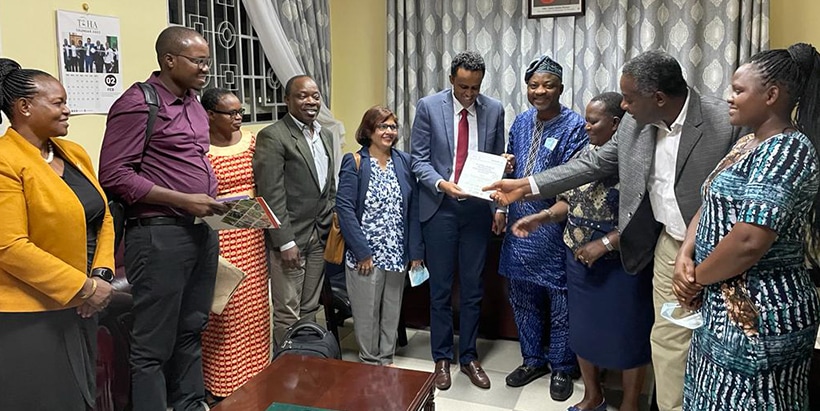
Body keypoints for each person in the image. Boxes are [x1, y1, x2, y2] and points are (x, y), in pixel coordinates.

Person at [484, 50, 738, 411]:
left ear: (659, 99)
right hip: (668, 244)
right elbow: (593, 162)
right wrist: (526, 186)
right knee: (668, 339)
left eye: (630, 99)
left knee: (711, 341)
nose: (623, 105)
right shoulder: (636, 123)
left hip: (715, 247)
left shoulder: (724, 121)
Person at [673, 43, 820, 410]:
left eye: (739, 90)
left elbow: (749, 240)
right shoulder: (746, 144)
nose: (729, 97)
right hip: (719, 307)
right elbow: (709, 201)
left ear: (772, 95)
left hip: (763, 314)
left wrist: (696, 279)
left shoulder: (788, 150)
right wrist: (685, 255)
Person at [99, 26, 227, 411]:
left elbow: (193, 161)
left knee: (191, 329)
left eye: (208, 61)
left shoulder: (193, 103)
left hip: (200, 233)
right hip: (158, 237)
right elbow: (115, 173)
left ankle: (189, 406)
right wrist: (184, 200)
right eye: (198, 61)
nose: (206, 69)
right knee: (152, 346)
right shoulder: (139, 102)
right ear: (169, 60)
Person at [513, 92, 653, 411]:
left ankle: (630, 403)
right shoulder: (584, 152)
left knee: (628, 332)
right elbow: (569, 201)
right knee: (583, 330)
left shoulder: (637, 160)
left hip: (621, 262)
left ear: (616, 124)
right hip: (578, 259)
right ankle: (593, 395)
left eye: (593, 121)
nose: (586, 126)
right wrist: (542, 216)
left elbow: (646, 218)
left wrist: (604, 244)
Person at [0, 58, 115, 410]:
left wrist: (100, 276)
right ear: (24, 107)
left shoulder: (74, 153)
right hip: (31, 314)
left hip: (83, 304)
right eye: (59, 102)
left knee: (83, 396)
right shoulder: (6, 160)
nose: (68, 110)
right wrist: (82, 289)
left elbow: (103, 217)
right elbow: (10, 246)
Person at [410, 51, 507, 390]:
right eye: (463, 86)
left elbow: (496, 163)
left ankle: (468, 356)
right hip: (440, 208)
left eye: (475, 88)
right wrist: (442, 183)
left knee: (473, 287)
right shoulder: (428, 107)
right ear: (451, 79)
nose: (469, 94)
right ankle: (441, 358)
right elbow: (418, 161)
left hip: (477, 210)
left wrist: (499, 208)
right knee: (439, 289)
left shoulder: (493, 109)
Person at [497, 55, 587, 400]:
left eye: (548, 85)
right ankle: (532, 359)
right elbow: (509, 170)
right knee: (521, 298)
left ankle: (562, 367)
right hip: (518, 226)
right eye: (534, 85)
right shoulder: (520, 123)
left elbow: (575, 180)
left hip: (555, 225)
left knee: (560, 300)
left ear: (561, 89)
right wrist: (500, 209)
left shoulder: (575, 126)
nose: (540, 91)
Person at [335, 105, 424, 366]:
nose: (389, 131)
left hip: (396, 253)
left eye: (393, 126)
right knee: (367, 313)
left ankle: (387, 359)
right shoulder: (355, 161)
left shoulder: (404, 161)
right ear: (369, 130)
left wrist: (416, 253)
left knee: (391, 311)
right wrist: (362, 252)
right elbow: (345, 209)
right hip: (366, 255)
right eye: (382, 126)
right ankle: (370, 362)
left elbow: (413, 209)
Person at [253, 74, 336, 344]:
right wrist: (284, 240)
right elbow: (271, 193)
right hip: (291, 239)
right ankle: (287, 375)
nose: (311, 101)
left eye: (315, 96)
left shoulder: (323, 133)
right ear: (287, 99)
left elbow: (327, 185)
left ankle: (307, 363)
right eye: (302, 95)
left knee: (310, 307)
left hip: (319, 234)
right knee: (288, 311)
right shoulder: (273, 136)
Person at [200, 88, 271, 399]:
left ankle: (257, 375)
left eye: (240, 110)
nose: (239, 116)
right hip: (218, 238)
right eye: (231, 112)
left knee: (255, 309)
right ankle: (222, 385)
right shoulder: (198, 148)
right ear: (211, 116)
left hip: (253, 235)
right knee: (223, 312)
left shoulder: (253, 142)